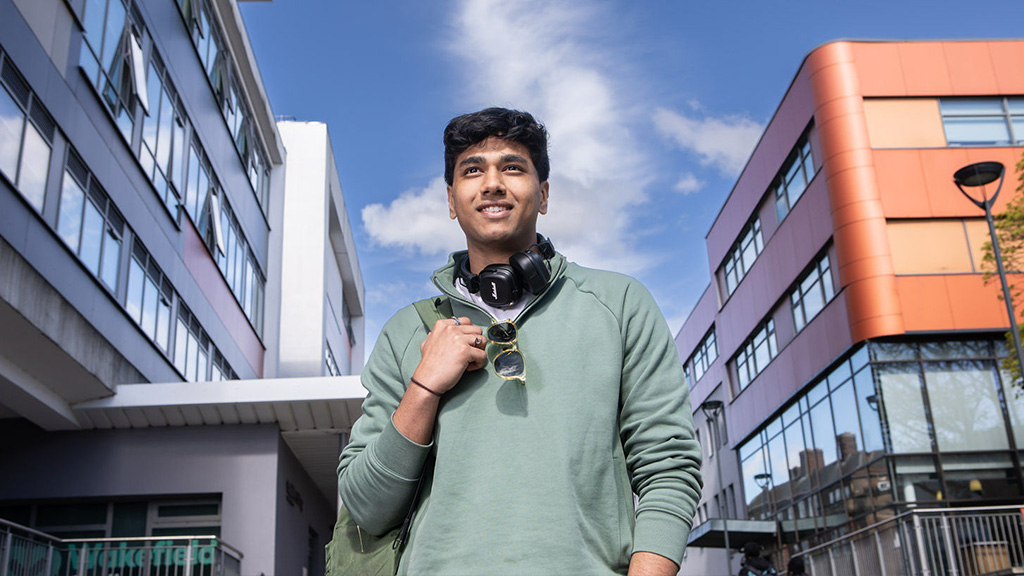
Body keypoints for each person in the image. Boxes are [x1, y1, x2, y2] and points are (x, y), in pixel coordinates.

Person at [337, 107, 703, 575]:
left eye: (512, 167)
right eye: (472, 170)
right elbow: (368, 509)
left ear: (543, 194)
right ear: (452, 201)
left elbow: (668, 468)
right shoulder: (406, 333)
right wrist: (423, 388)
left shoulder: (621, 304)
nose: (491, 183)